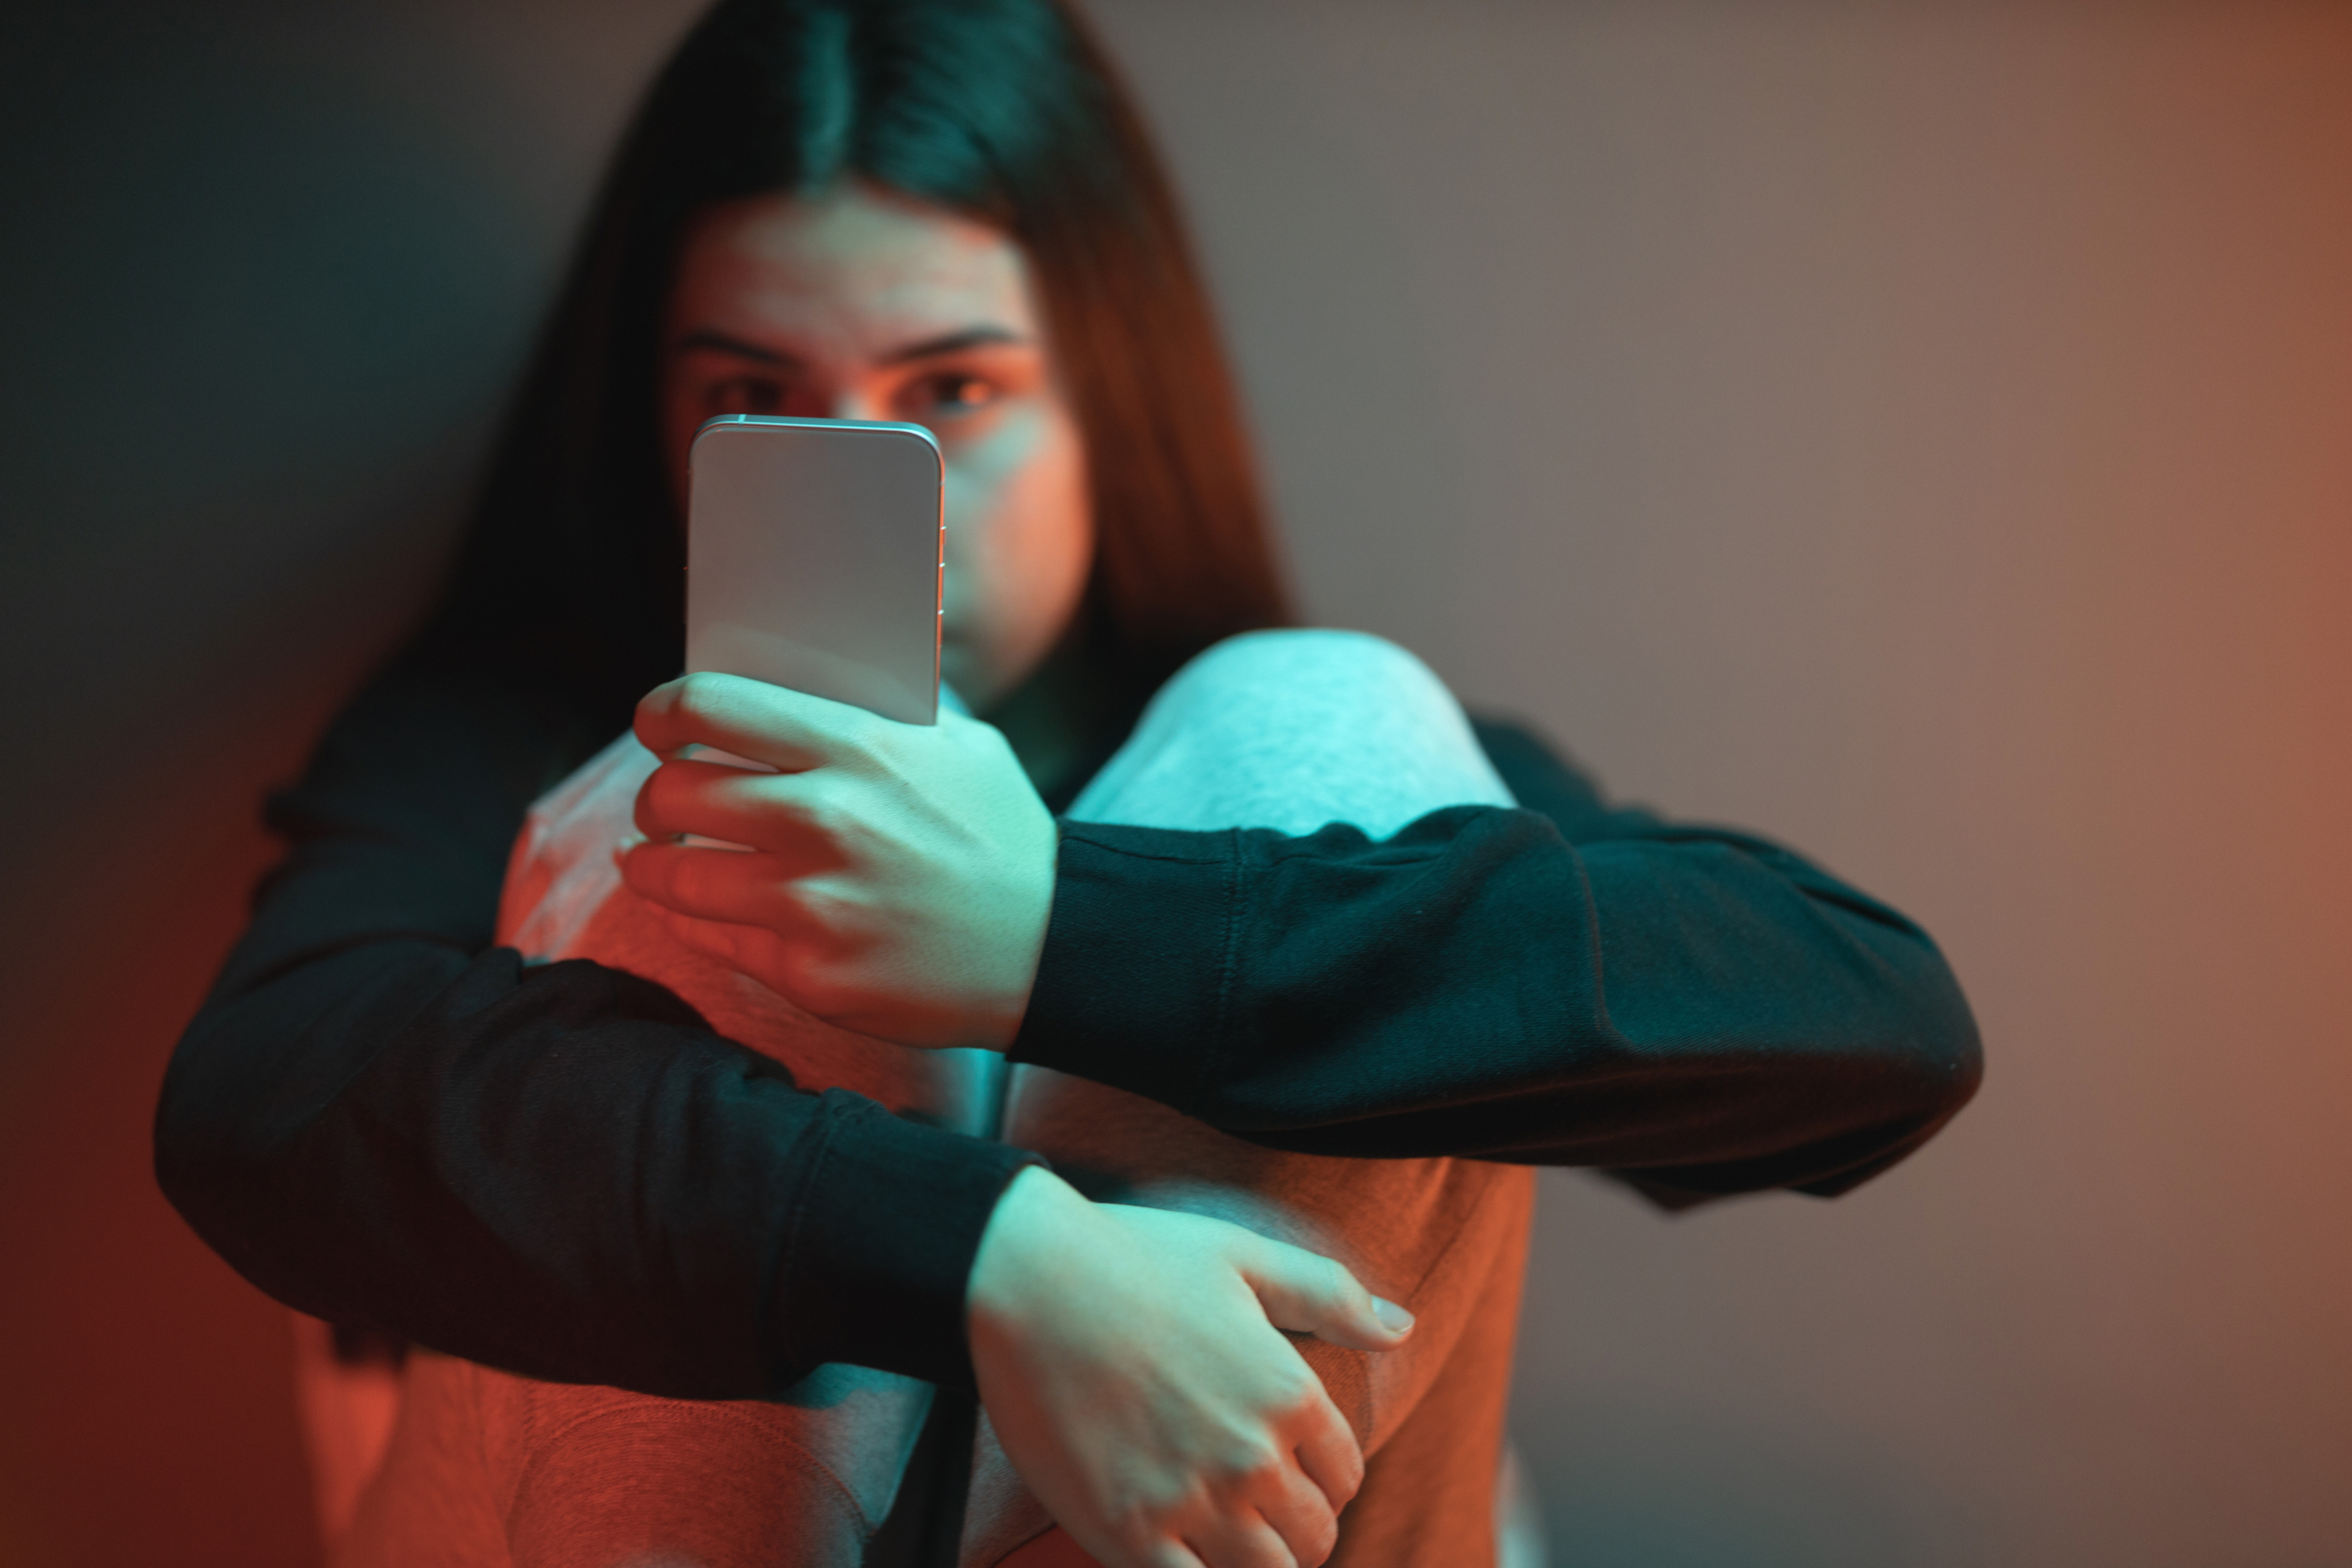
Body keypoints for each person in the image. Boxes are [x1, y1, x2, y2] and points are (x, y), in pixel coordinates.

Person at [154, 0, 1982, 1563]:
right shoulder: (511, 722)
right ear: (651, 422)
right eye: (755, 399)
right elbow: (263, 1095)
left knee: (1318, 726)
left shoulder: (1264, 755)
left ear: (1107, 396)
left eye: (954, 392)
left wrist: (1050, 932)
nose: (885, 484)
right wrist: (988, 1257)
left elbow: (1873, 1021)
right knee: (669, 815)